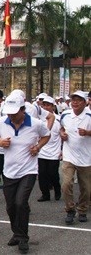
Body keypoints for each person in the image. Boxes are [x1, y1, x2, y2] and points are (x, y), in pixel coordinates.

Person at [0, 94, 50, 254]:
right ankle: (16, 233)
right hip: (9, 172)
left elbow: (46, 135)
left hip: (28, 171)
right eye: (8, 112)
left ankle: (23, 238)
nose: (11, 116)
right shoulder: (2, 122)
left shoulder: (36, 124)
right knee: (10, 207)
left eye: (14, 113)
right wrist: (0, 143)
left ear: (23, 110)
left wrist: (38, 147)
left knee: (20, 202)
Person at [60, 90, 91, 224]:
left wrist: (88, 132)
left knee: (86, 187)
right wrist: (62, 134)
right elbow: (61, 128)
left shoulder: (89, 115)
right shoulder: (65, 114)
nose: (75, 102)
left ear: (85, 102)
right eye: (73, 100)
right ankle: (70, 209)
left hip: (86, 157)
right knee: (66, 184)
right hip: (69, 156)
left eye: (79, 100)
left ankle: (83, 209)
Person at [37, 96, 62, 202]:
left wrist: (62, 151)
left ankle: (57, 190)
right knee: (42, 174)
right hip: (41, 151)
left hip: (54, 152)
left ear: (53, 106)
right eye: (44, 105)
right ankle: (45, 194)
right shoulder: (39, 120)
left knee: (53, 174)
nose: (46, 107)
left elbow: (63, 136)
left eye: (48, 105)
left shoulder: (60, 119)